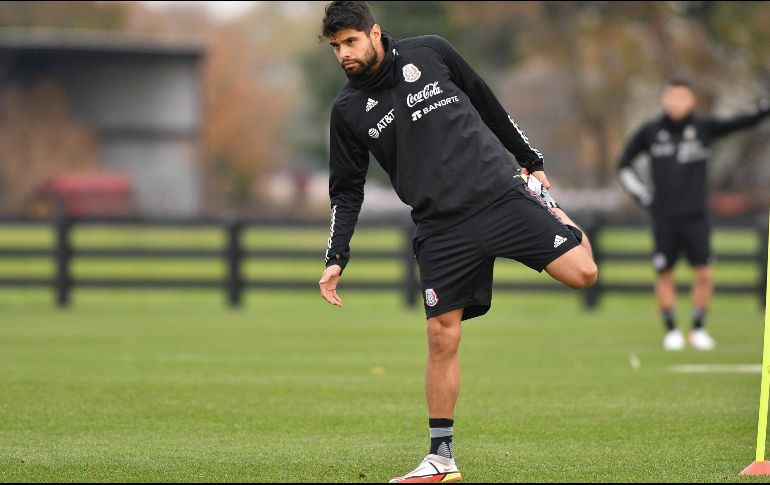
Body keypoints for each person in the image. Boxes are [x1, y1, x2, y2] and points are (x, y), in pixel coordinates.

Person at [316, 2, 597, 482]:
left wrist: (529, 158)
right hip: (441, 227)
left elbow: (487, 102)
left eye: (351, 42)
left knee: (583, 274)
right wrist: (336, 255)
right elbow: (347, 189)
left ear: (375, 33)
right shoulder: (347, 111)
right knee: (441, 336)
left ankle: (548, 206)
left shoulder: (431, 53)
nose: (344, 54)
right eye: (336, 46)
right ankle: (441, 458)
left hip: (499, 195)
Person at [617, 79, 770, 351]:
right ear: (665, 100)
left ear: (691, 101)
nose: (676, 103)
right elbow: (624, 165)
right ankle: (672, 330)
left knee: (705, 273)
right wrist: (642, 196)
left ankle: (698, 329)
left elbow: (741, 123)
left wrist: (763, 107)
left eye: (682, 98)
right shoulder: (650, 132)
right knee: (665, 272)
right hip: (664, 217)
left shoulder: (704, 128)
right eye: (672, 98)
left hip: (696, 215)